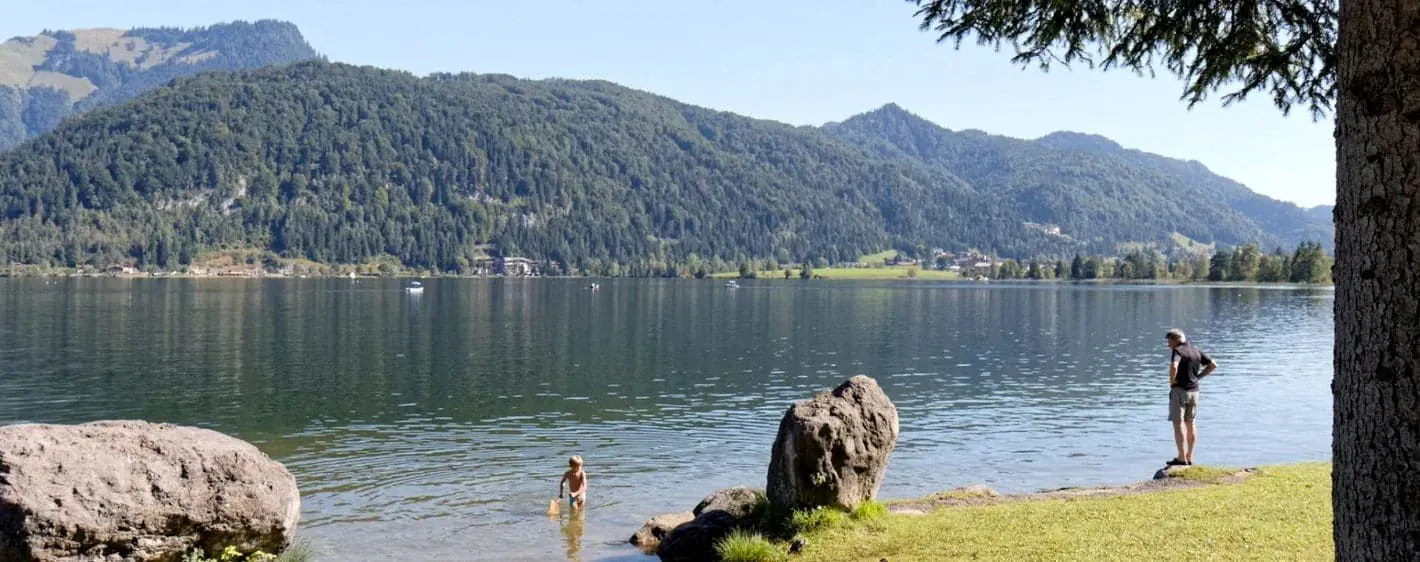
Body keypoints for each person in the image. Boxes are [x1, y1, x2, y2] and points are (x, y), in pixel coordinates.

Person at [1166, 329, 1217, 466]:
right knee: (1191, 423)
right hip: (1194, 392)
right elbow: (1213, 365)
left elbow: (1174, 366)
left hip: (1179, 391)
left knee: (1178, 424)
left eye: (1169, 341)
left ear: (1176, 339)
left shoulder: (1178, 351)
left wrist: (1172, 382)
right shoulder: (1196, 350)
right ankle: (1190, 456)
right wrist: (1198, 378)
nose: (1168, 345)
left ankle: (1181, 457)